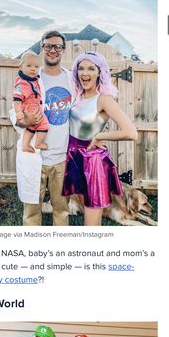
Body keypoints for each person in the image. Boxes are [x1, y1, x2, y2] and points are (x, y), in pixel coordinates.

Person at [62, 51, 138, 226]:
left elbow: (131, 132)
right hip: (73, 156)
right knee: (80, 203)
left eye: (91, 68)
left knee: (91, 217)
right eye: (81, 68)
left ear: (99, 72)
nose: (85, 73)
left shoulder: (104, 99)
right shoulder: (77, 96)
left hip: (92, 161)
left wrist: (99, 136)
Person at [11, 30, 72, 225]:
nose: (53, 50)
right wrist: (25, 121)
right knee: (31, 211)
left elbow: (82, 112)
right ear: (42, 48)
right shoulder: (30, 77)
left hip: (62, 156)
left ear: (63, 49)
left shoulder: (72, 80)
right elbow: (14, 111)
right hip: (35, 155)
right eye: (48, 45)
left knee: (62, 209)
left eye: (58, 46)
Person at [13, 51, 49, 153]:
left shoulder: (34, 80)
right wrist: (18, 112)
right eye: (29, 66)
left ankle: (26, 145)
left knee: (32, 127)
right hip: (30, 109)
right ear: (21, 67)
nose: (33, 69)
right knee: (44, 124)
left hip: (34, 107)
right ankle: (38, 143)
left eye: (36, 67)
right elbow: (17, 99)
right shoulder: (22, 83)